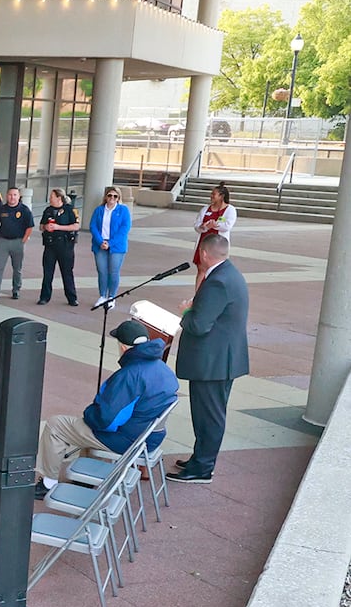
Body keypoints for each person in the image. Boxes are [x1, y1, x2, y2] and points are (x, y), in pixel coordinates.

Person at [33, 320, 179, 499]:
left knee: (57, 426)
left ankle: (48, 484)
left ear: (124, 347)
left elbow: (106, 420)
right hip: (150, 436)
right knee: (84, 428)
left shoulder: (129, 375)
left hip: (127, 441)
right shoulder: (163, 369)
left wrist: (89, 414)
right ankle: (85, 479)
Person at [169, 236, 250, 484]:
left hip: (213, 363)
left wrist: (186, 311)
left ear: (204, 254)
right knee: (207, 414)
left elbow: (200, 325)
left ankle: (203, 468)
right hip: (219, 359)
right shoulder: (228, 273)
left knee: (209, 416)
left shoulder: (218, 282)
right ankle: (199, 458)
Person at [0, 187, 33, 302]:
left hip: (18, 242)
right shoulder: (2, 209)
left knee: (17, 268)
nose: (12, 197)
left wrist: (24, 240)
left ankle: (16, 290)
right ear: (7, 196)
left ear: (19, 196)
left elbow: (30, 226)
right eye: (10, 195)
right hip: (3, 241)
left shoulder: (24, 210)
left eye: (15, 195)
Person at [88, 186, 131, 308]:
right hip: (100, 244)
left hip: (116, 246)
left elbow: (124, 229)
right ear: (106, 197)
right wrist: (101, 241)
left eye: (115, 196)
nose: (112, 198)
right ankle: (102, 296)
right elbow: (93, 226)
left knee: (113, 271)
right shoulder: (99, 210)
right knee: (102, 271)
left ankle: (112, 297)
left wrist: (110, 243)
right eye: (109, 195)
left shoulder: (123, 210)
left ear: (118, 198)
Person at [37, 188, 80, 306]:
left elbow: (76, 226)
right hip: (50, 245)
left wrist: (58, 227)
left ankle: (72, 297)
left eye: (52, 197)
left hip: (65, 245)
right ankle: (44, 297)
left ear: (59, 198)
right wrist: (46, 227)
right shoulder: (48, 210)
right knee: (47, 272)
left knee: (67, 272)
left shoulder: (70, 210)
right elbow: (41, 226)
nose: (50, 199)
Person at [193, 183, 236, 263]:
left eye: (214, 194)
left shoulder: (230, 210)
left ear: (221, 196)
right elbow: (197, 226)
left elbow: (227, 226)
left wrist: (215, 225)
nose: (211, 196)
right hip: (204, 243)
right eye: (211, 194)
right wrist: (204, 227)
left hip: (218, 245)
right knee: (201, 268)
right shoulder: (205, 209)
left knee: (215, 267)